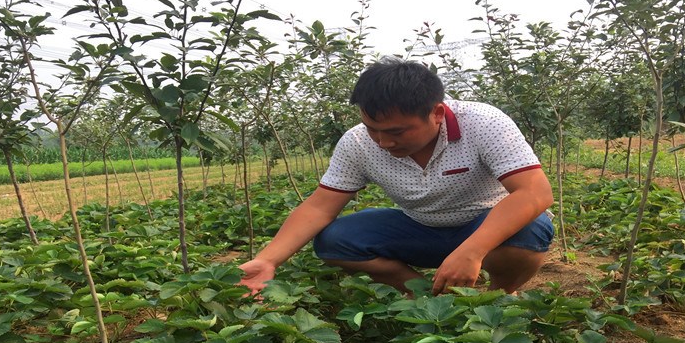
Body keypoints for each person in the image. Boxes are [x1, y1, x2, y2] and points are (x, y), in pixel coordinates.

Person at [237, 57, 554, 297]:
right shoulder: (358, 142)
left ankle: (499, 296)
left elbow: (534, 193)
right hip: (420, 228)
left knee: (531, 226)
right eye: (372, 129)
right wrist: (268, 260)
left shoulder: (483, 123)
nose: (383, 142)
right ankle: (425, 295)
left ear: (437, 114)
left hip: (484, 226)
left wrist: (473, 250)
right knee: (335, 240)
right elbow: (320, 207)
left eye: (396, 131)